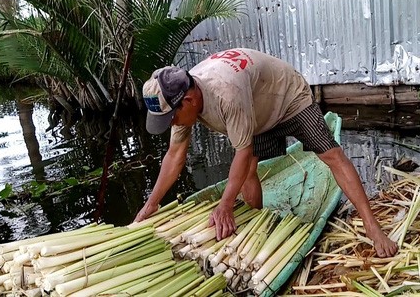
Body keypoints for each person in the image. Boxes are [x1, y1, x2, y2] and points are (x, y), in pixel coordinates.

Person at [133, 48, 398, 258]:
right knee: (248, 172)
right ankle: (257, 225)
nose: (173, 124)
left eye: (172, 119)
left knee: (331, 155)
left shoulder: (225, 95)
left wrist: (225, 205)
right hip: (254, 109)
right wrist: (151, 204)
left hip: (287, 97)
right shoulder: (180, 99)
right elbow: (175, 155)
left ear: (188, 102)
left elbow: (242, 152)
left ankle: (373, 228)